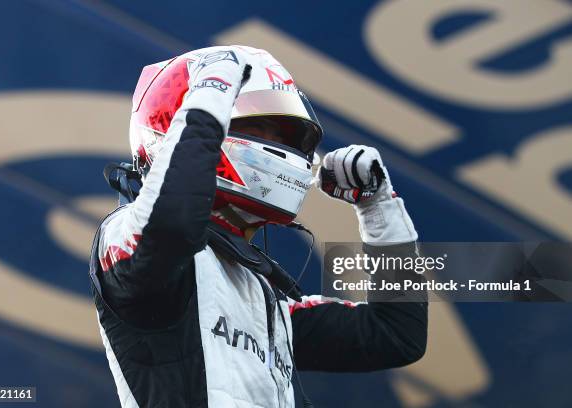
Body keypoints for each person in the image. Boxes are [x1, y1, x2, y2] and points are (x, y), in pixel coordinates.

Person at [89, 45, 427, 408]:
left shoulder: (269, 303)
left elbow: (396, 334)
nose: (280, 148)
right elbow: (173, 224)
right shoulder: (124, 236)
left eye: (285, 136)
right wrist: (212, 90)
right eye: (259, 128)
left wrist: (379, 207)